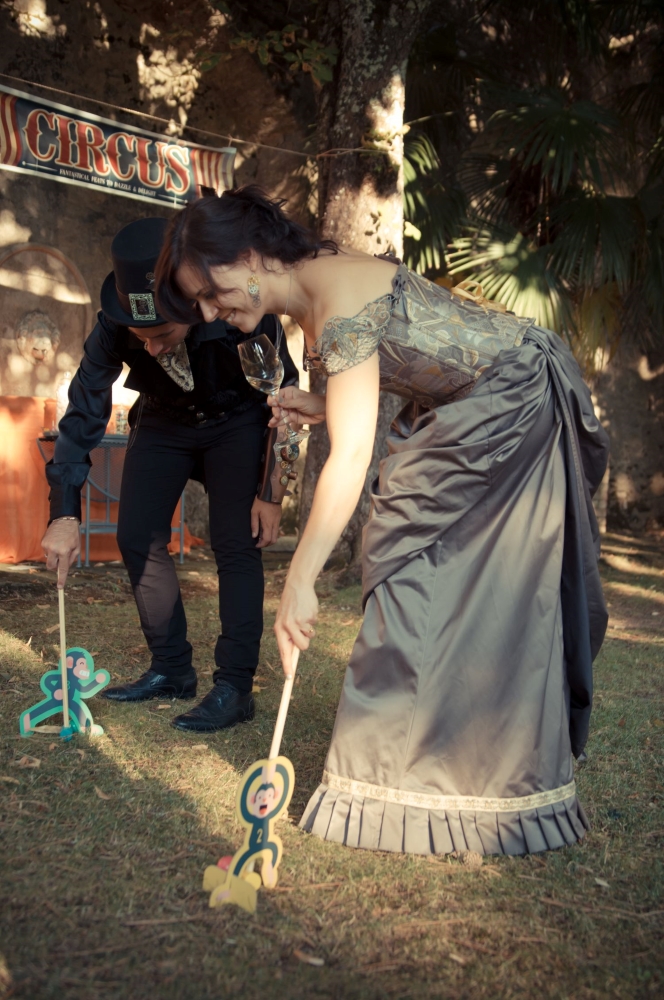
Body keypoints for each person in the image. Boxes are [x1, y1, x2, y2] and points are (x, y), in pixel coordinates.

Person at [154, 185, 609, 856]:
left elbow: (352, 455)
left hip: (510, 396)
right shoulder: (316, 293)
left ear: (250, 257)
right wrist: (324, 400)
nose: (206, 310)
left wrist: (300, 579)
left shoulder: (333, 301)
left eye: (209, 290)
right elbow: (411, 348)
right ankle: (434, 764)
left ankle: (430, 770)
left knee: (411, 556)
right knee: (420, 564)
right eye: (196, 302)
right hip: (469, 399)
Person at [41, 216, 299, 733]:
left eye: (161, 334)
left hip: (238, 421)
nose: (152, 348)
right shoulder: (115, 326)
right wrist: (64, 512)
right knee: (137, 536)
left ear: (192, 305)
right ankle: (171, 669)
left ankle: (234, 687)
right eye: (142, 337)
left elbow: (283, 402)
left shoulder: (237, 313)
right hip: (163, 420)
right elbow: (84, 408)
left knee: (234, 541)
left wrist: (271, 493)